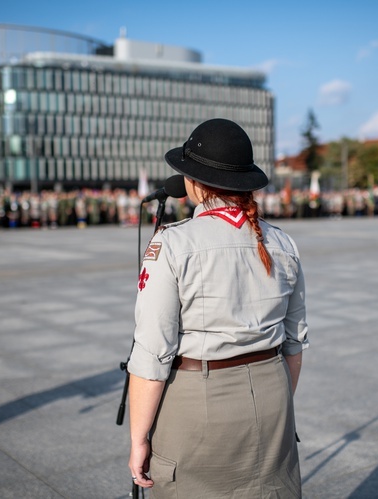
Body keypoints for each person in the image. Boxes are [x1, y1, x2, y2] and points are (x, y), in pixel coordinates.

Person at [126, 118, 309, 498]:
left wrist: (139, 438)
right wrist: (278, 400)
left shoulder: (173, 243)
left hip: (199, 400)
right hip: (273, 392)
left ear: (193, 183)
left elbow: (152, 354)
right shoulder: (283, 242)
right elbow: (294, 343)